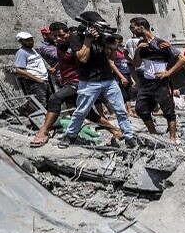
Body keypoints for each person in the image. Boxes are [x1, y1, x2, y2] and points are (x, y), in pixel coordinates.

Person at [30, 22, 124, 147]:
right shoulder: (60, 45)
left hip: (78, 81)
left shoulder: (76, 43)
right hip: (67, 82)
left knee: (55, 98)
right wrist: (56, 68)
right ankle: (115, 131)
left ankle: (43, 132)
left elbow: (84, 57)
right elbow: (63, 59)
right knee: (89, 114)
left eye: (61, 35)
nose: (58, 38)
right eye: (54, 36)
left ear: (68, 33)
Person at [57, 12, 136, 149]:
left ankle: (129, 137)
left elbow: (111, 58)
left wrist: (113, 48)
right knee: (81, 111)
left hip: (108, 80)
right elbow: (82, 58)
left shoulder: (102, 37)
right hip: (89, 82)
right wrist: (88, 39)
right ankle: (70, 136)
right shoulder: (76, 37)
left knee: (121, 110)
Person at [131, 17, 185, 143]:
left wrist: (168, 72)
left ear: (141, 27)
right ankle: (154, 134)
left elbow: (183, 59)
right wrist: (138, 50)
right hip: (146, 83)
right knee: (140, 108)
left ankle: (172, 139)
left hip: (161, 83)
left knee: (168, 111)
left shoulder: (161, 43)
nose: (132, 30)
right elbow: (136, 63)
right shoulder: (140, 44)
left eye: (133, 27)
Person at [13, 31, 50, 107]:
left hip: (43, 81)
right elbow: (19, 70)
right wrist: (38, 80)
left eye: (31, 39)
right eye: (27, 40)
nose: (30, 42)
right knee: (41, 106)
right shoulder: (22, 52)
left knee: (50, 103)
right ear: (20, 41)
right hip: (35, 83)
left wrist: (48, 69)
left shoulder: (32, 50)